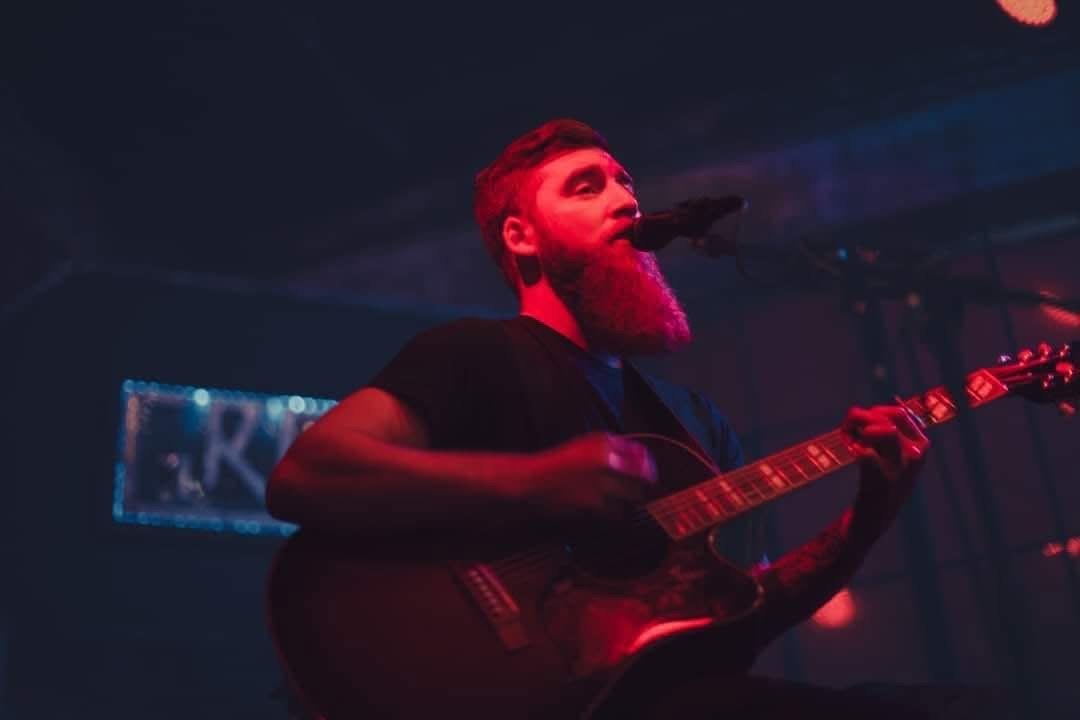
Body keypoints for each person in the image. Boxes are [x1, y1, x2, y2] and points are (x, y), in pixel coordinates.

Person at [266, 119, 952, 719]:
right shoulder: (474, 354)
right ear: (521, 237)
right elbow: (307, 472)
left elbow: (751, 608)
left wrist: (867, 520)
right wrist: (535, 482)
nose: (626, 200)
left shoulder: (696, 424)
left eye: (625, 183)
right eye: (586, 187)